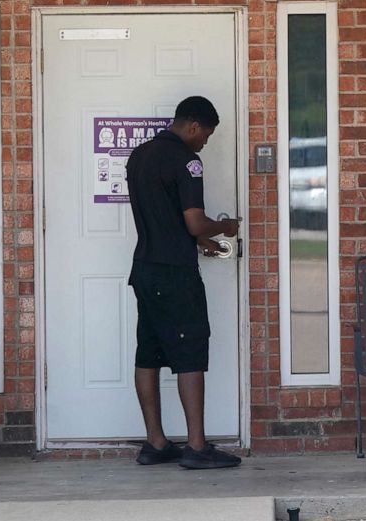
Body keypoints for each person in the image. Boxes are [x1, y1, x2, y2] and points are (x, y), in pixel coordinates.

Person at [126, 95, 242, 469]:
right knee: (190, 352)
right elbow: (193, 220)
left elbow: (163, 216)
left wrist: (199, 241)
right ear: (194, 126)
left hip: (144, 268)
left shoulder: (139, 156)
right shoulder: (187, 160)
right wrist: (223, 228)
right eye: (206, 135)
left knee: (148, 353)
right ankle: (196, 447)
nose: (204, 142)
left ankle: (156, 443)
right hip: (174, 273)